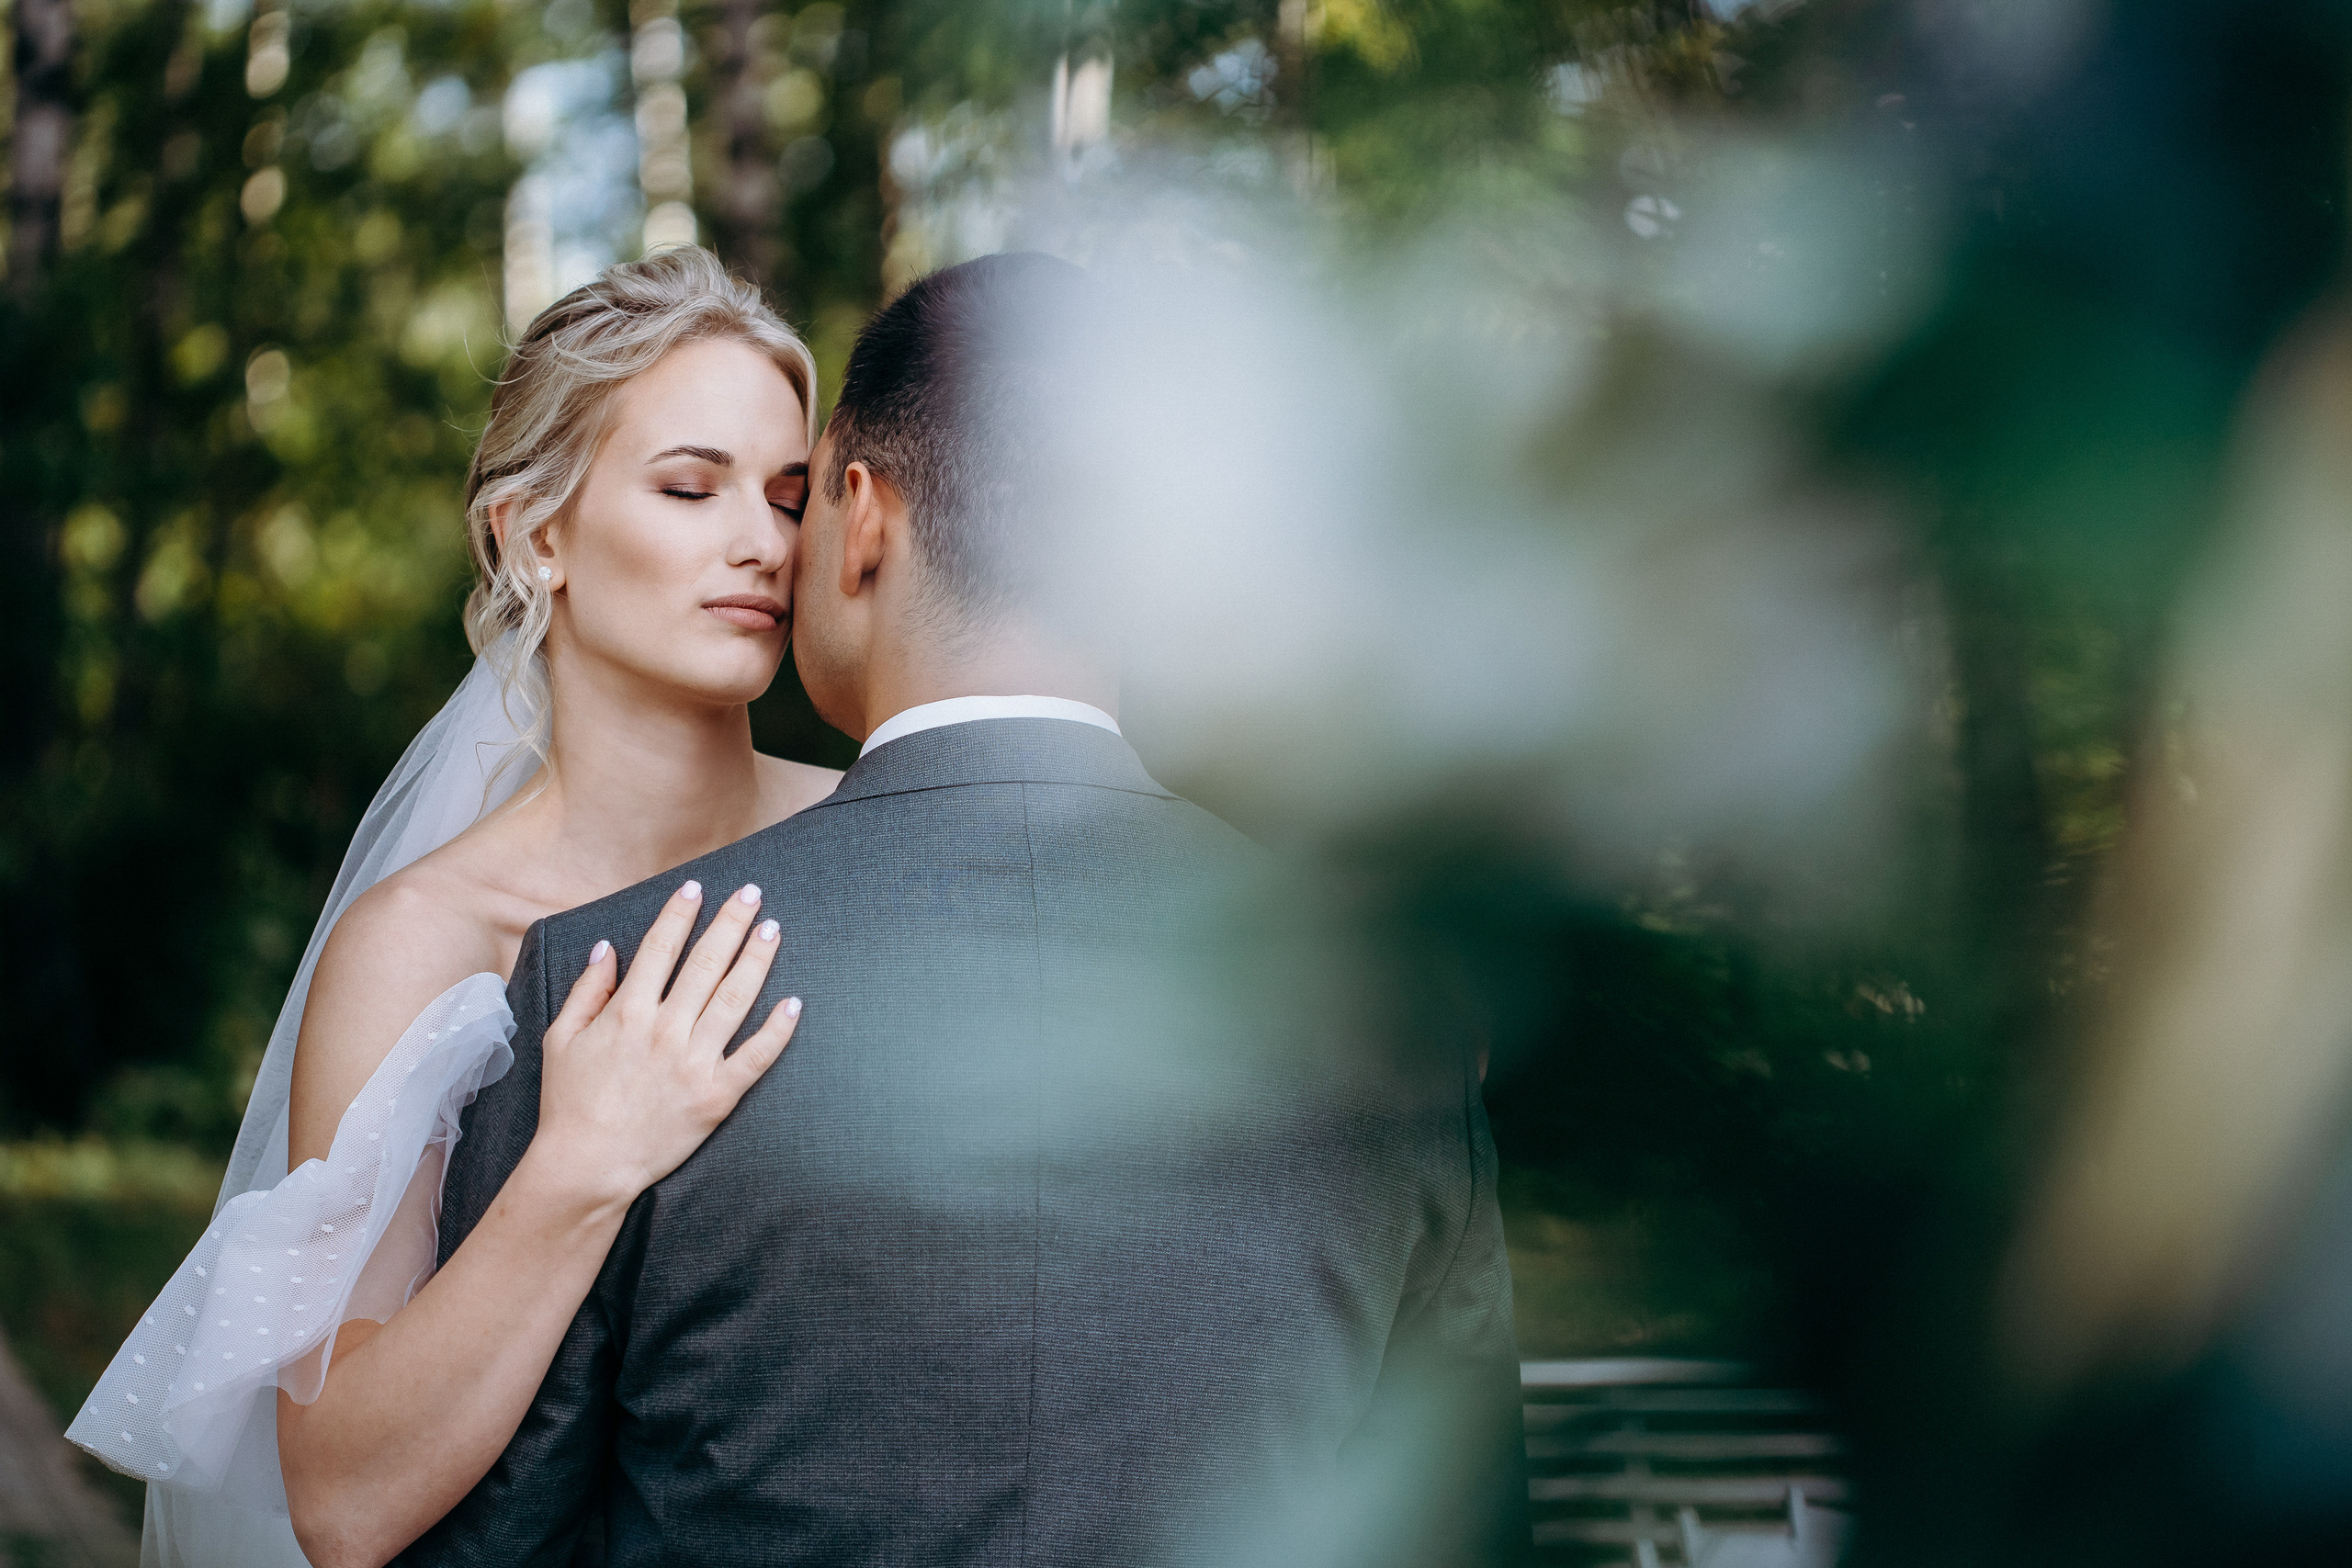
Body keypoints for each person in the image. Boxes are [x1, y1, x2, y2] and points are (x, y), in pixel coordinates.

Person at [400, 252, 1529, 1568]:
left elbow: (490, 1548)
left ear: (864, 517)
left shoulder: (615, 984)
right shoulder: (1394, 1004)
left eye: (798, 500)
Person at [67, 246, 833, 1568]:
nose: (763, 544)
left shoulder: (878, 826)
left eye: (789, 496)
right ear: (536, 536)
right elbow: (341, 1498)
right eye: (689, 487)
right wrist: (583, 1160)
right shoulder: (428, 942)